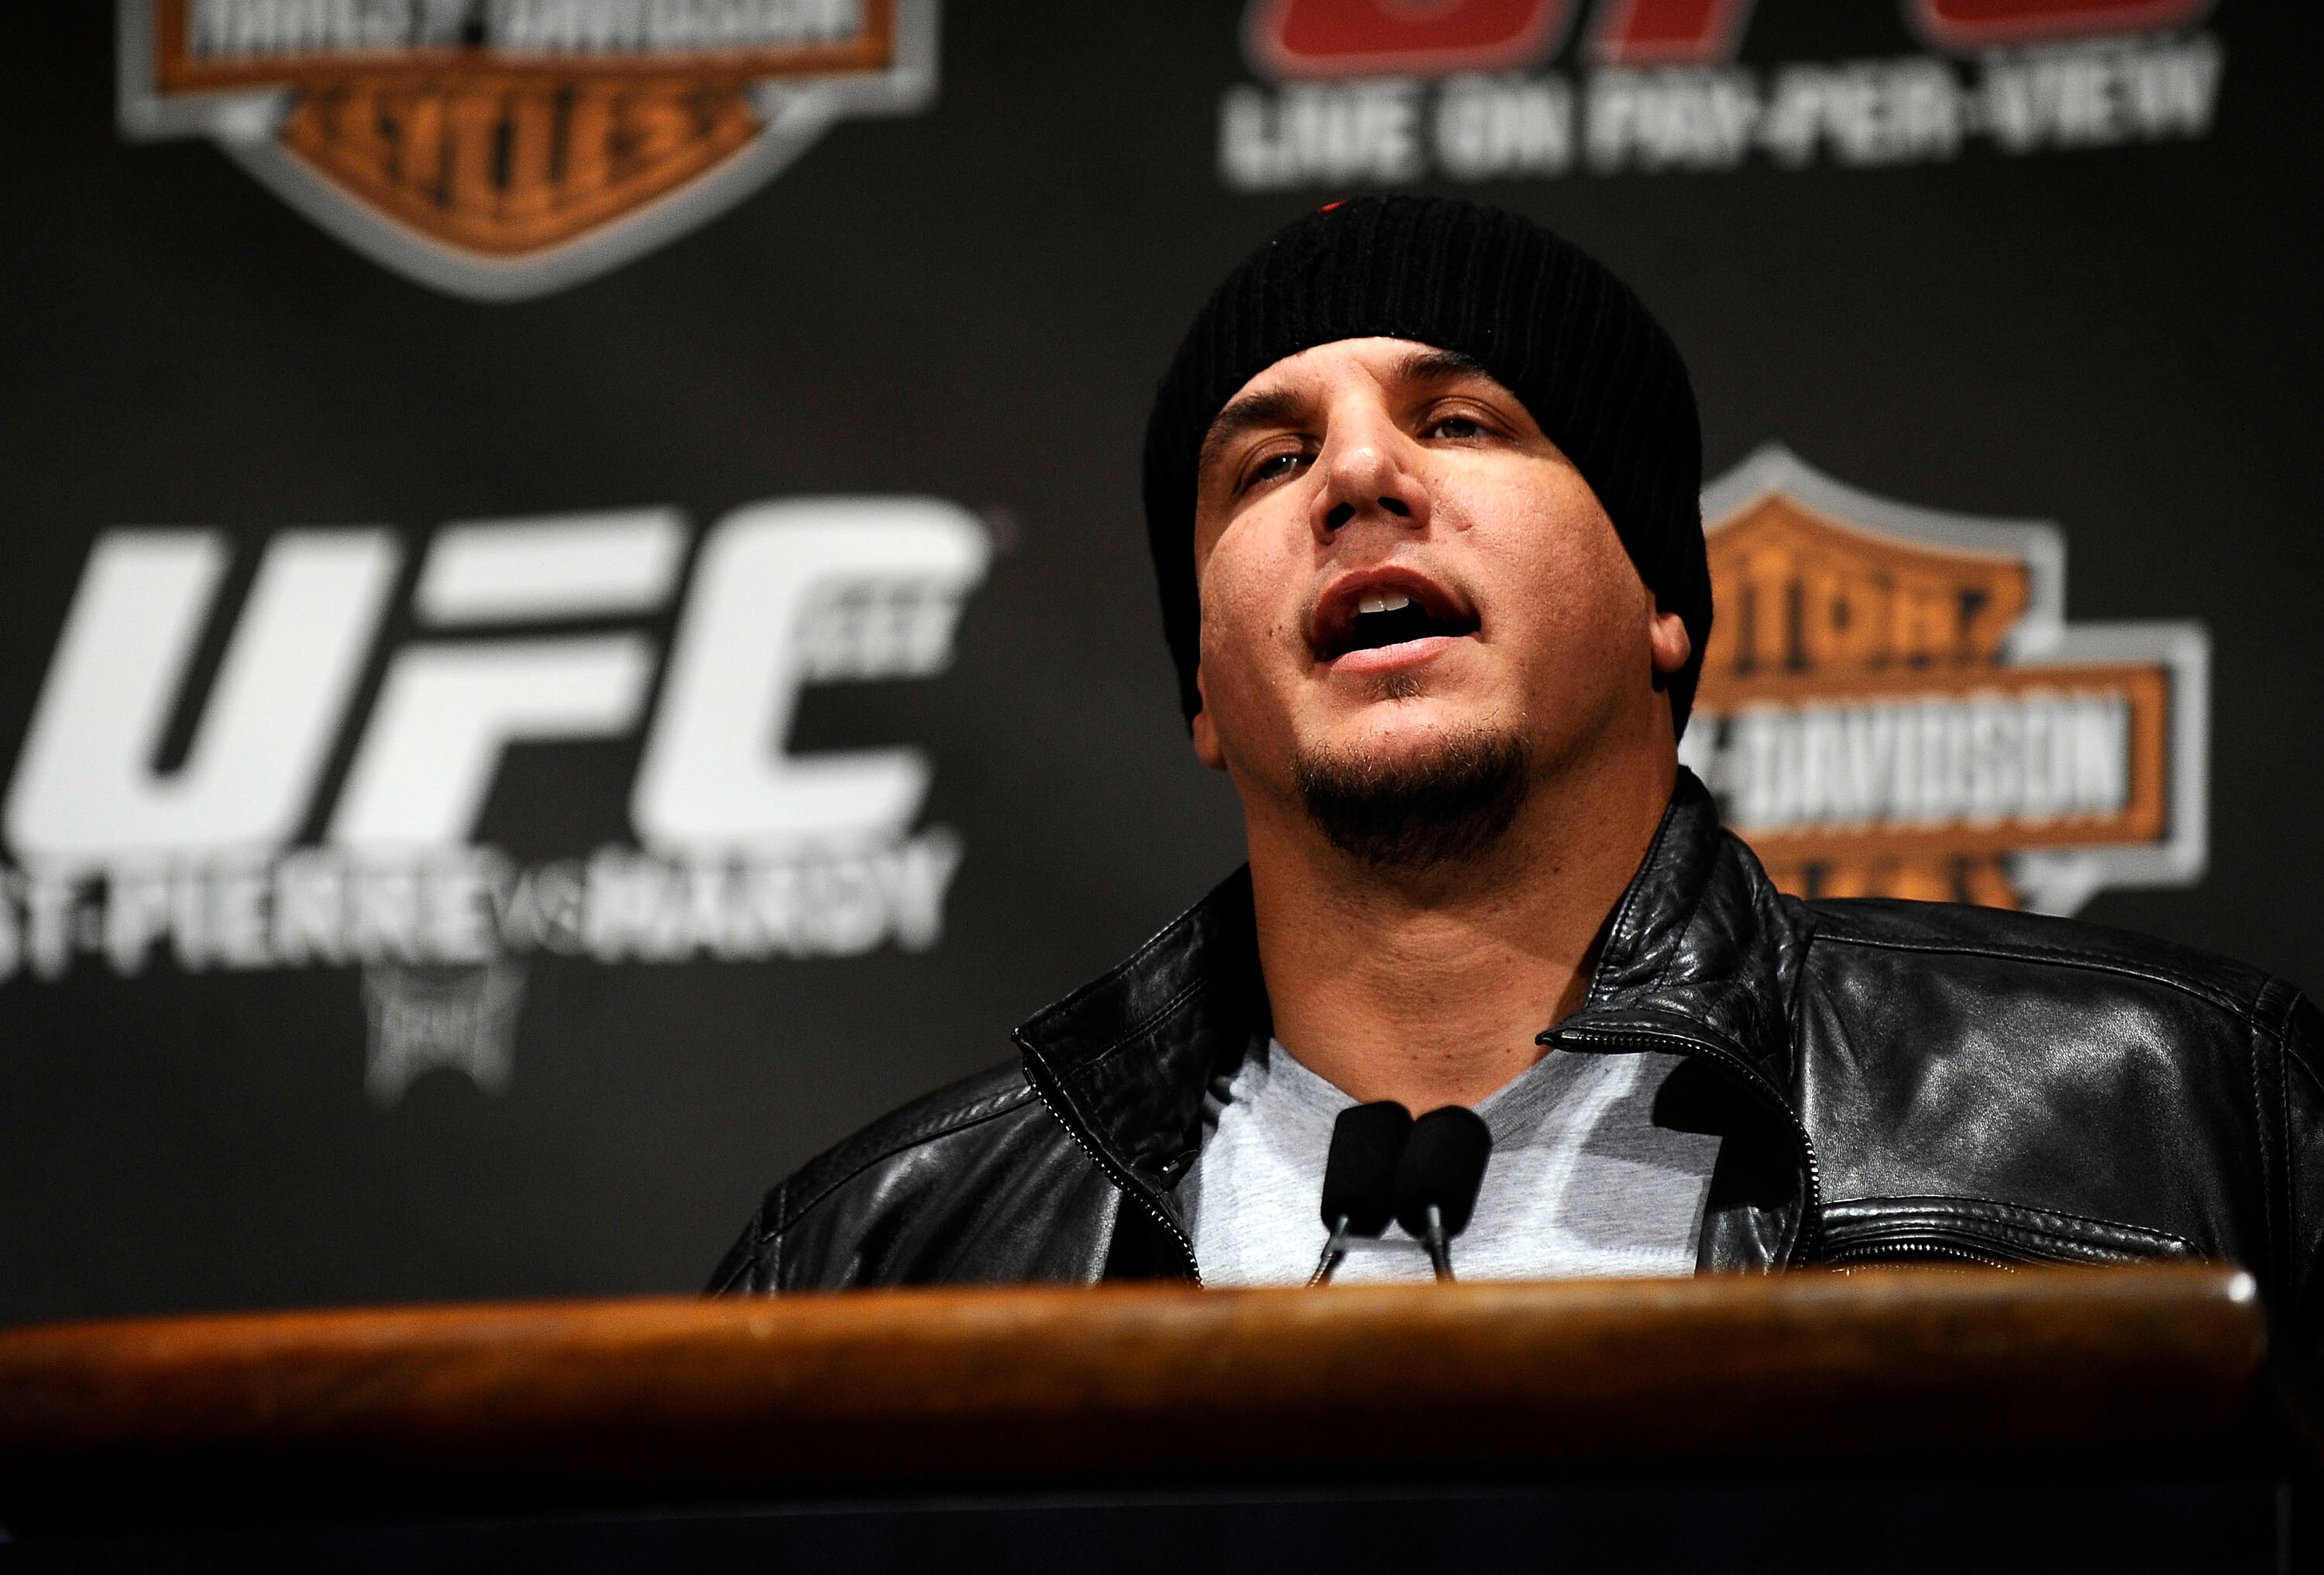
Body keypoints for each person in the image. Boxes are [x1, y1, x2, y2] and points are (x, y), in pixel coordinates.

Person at [710, 196, 2320, 1388]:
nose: (1359, 476)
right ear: (1199, 683)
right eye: (1269, 462)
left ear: (1661, 596)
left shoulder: (2175, 1110)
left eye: (1463, 419)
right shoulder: (863, 1263)